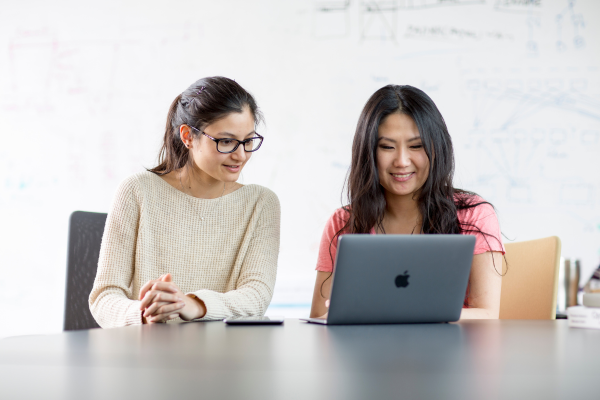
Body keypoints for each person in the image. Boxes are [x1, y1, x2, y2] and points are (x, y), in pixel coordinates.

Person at [89, 77, 280, 327]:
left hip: (226, 358)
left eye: (248, 141)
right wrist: (145, 314)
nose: (240, 155)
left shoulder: (261, 203)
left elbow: (256, 296)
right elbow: (104, 297)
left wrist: (193, 304)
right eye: (226, 141)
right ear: (188, 136)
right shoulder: (137, 191)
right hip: (149, 354)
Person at [310, 85, 505, 320]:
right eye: (387, 147)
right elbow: (320, 317)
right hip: (369, 354)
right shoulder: (343, 223)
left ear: (437, 148)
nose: (402, 161)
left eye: (416, 146)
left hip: (452, 354)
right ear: (368, 152)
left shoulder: (473, 215)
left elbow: (487, 315)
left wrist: (388, 311)